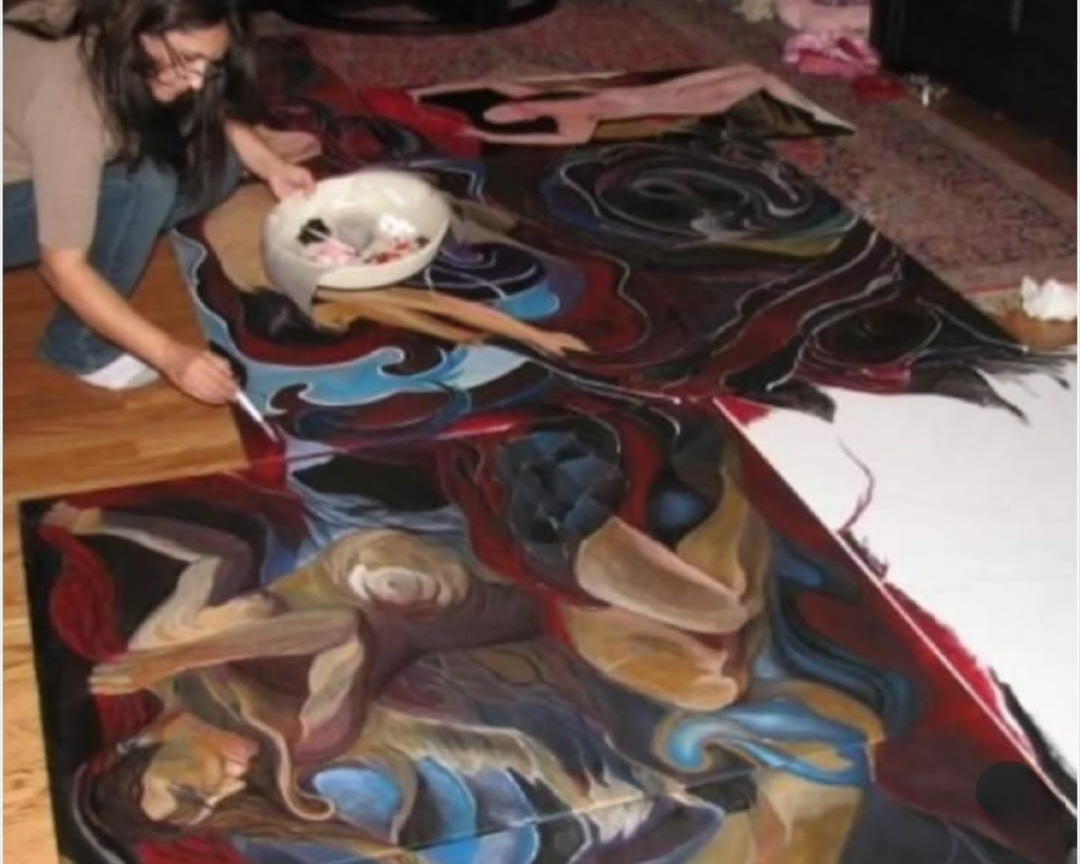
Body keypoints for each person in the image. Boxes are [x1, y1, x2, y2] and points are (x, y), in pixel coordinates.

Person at [3, 0, 316, 402]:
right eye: (188, 59)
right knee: (144, 186)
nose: (198, 82)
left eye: (209, 64)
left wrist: (270, 164)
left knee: (217, 168)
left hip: (40, 150)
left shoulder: (112, 29)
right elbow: (63, 267)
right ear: (139, 32)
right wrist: (172, 356)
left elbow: (196, 102)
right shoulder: (73, 100)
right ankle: (77, 346)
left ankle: (80, 222)